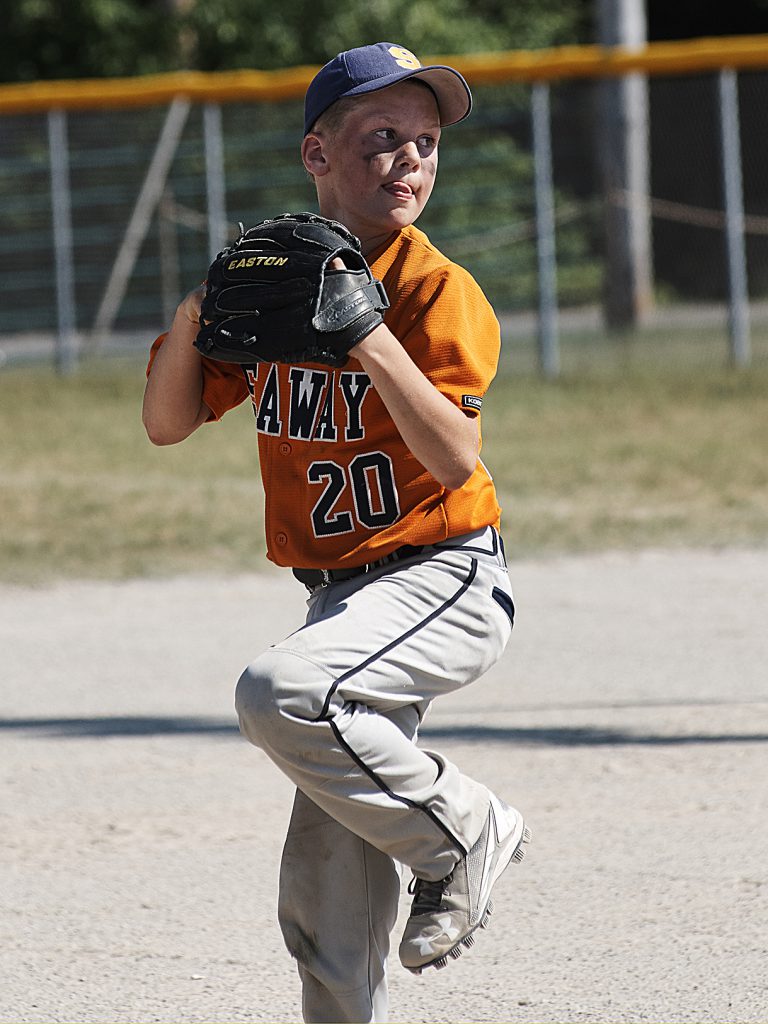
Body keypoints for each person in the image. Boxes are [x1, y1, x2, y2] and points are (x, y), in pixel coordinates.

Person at [143, 41, 530, 1024]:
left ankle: (464, 830)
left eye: (425, 143)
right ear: (317, 155)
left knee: (282, 691)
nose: (408, 160)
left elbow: (453, 457)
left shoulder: (436, 290)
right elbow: (167, 419)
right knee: (324, 904)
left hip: (440, 576)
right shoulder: (282, 279)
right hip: (338, 598)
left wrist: (365, 331)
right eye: (380, 139)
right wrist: (202, 303)